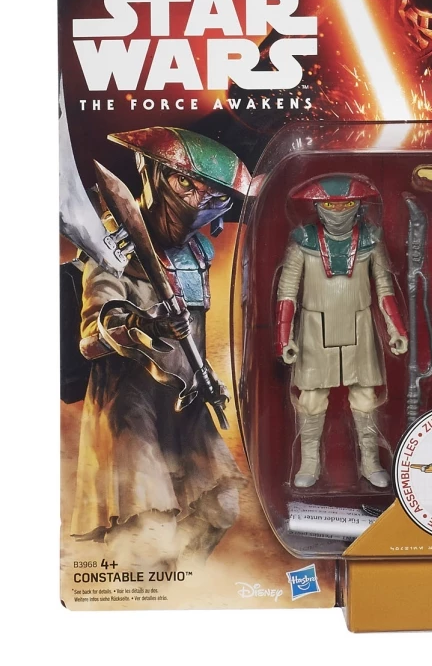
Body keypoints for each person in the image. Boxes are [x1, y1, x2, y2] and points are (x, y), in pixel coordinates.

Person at [71, 126, 250, 569]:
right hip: (130, 404)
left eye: (213, 194)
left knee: (221, 504)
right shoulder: (111, 249)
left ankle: (180, 584)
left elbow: (194, 335)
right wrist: (141, 323)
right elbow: (91, 340)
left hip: (185, 399)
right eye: (185, 182)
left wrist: (207, 377)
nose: (197, 201)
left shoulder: (199, 254)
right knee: (147, 524)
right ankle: (139, 590)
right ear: (152, 174)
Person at [275, 174, 408, 489]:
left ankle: (371, 462)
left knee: (365, 397)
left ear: (358, 206)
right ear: (318, 207)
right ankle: (309, 462)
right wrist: (284, 338)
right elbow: (287, 292)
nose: (337, 211)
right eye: (331, 205)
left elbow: (384, 288)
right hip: (313, 327)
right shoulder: (302, 241)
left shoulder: (371, 239)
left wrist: (396, 329)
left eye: (345, 204)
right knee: (311, 398)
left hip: (360, 325)